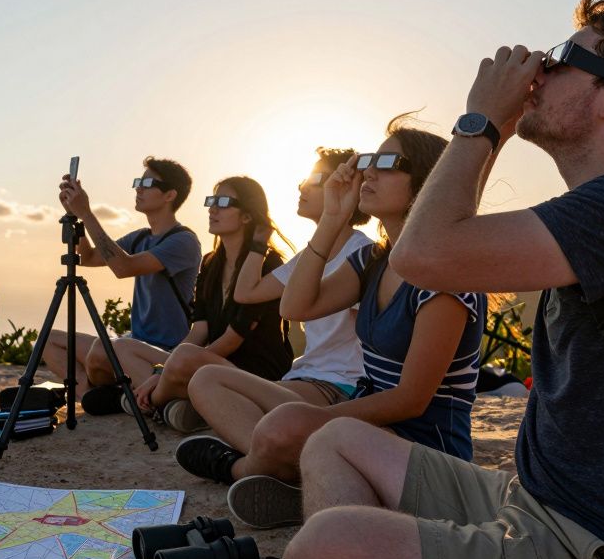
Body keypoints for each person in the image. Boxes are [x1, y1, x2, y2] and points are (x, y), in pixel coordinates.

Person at [276, 0, 604, 559]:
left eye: (561, 60)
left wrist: (482, 121)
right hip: (538, 504)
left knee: (326, 548)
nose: (538, 71)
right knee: (332, 441)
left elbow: (424, 258)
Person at [177, 118, 485, 535]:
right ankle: (289, 473)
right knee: (209, 376)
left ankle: (240, 467)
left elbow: (411, 400)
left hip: (424, 450)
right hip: (365, 427)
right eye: (370, 160)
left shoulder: (444, 278)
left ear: (427, 181)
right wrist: (332, 219)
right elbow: (296, 306)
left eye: (389, 161)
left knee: (286, 426)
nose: (369, 171)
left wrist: (320, 423)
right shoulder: (374, 261)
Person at [174, 147, 372, 445]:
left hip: (339, 385)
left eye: (316, 178)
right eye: (303, 180)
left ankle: (261, 457)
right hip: (302, 377)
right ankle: (263, 451)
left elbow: (370, 339)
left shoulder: (360, 253)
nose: (303, 186)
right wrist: (258, 244)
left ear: (347, 187)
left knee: (208, 380)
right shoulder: (310, 255)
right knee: (206, 383)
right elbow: (247, 293)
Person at [127, 176, 295, 430]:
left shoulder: (267, 263)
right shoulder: (210, 263)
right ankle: (181, 403)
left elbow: (233, 339)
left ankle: (154, 401)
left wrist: (163, 374)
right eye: (212, 201)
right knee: (125, 346)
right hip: (211, 363)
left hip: (256, 371)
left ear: (247, 216)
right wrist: (166, 367)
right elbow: (200, 330)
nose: (213, 208)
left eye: (224, 202)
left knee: (181, 358)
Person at [44, 157, 202, 412]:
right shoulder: (141, 237)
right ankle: (92, 398)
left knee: (104, 350)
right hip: (131, 342)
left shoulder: (183, 241)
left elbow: (123, 267)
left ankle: (117, 394)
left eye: (147, 182)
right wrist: (76, 216)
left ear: (170, 195)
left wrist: (87, 212)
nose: (138, 188)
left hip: (161, 351)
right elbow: (89, 257)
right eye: (138, 182)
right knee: (49, 340)